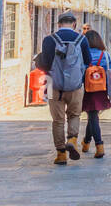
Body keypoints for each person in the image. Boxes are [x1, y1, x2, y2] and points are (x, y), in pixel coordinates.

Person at [35, 13, 92, 165]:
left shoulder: (48, 40)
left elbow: (46, 64)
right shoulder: (82, 39)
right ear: (74, 24)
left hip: (53, 84)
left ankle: (61, 154)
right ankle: (72, 140)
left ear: (58, 24)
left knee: (58, 120)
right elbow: (88, 61)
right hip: (75, 85)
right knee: (74, 115)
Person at [81, 29, 111, 159]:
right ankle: (86, 142)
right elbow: (109, 71)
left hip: (88, 89)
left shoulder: (83, 55)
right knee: (92, 116)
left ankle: (99, 146)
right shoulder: (105, 55)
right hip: (101, 89)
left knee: (93, 116)